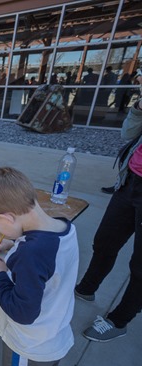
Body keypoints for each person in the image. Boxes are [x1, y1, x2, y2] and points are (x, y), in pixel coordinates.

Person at [0, 167, 79, 366]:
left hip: (30, 345)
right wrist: (14, 244)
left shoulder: (32, 254)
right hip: (53, 333)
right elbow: (50, 264)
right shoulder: (63, 227)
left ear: (8, 217)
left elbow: (23, 312)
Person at [74, 80, 142, 342]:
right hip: (131, 181)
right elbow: (129, 133)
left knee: (139, 266)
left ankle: (119, 320)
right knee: (104, 241)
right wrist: (138, 107)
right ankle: (86, 288)